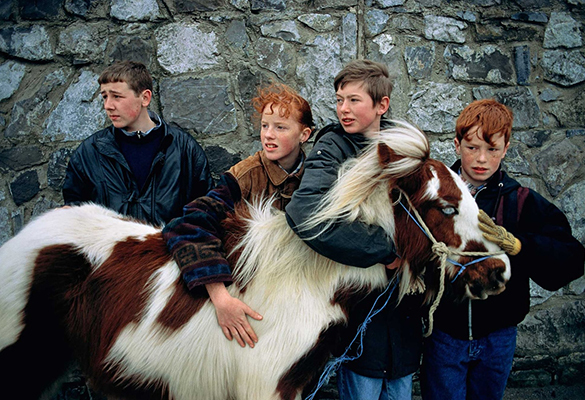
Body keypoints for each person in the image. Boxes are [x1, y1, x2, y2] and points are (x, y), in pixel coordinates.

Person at [420, 99, 585, 400]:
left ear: (506, 149)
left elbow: (573, 258)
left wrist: (521, 245)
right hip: (445, 336)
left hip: (499, 337)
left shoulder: (521, 201)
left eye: (492, 149)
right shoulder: (436, 198)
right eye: (472, 147)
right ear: (456, 145)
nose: (481, 158)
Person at [285, 59, 422, 400]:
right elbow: (304, 210)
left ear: (382, 105)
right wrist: (385, 250)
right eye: (338, 99)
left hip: (404, 313)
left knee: (400, 392)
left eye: (353, 100)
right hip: (359, 306)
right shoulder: (333, 147)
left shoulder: (404, 149)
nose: (343, 109)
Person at [163, 82, 313, 348]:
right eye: (265, 125)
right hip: (248, 297)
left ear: (304, 134)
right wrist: (221, 298)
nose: (268, 134)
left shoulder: (316, 177)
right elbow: (187, 225)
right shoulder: (244, 176)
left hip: (298, 301)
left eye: (280, 127)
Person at [63, 60, 212, 225]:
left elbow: (206, 211)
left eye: (116, 97)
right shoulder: (88, 152)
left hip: (169, 249)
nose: (108, 106)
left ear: (145, 98)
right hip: (109, 250)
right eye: (105, 97)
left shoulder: (184, 149)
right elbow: (76, 215)